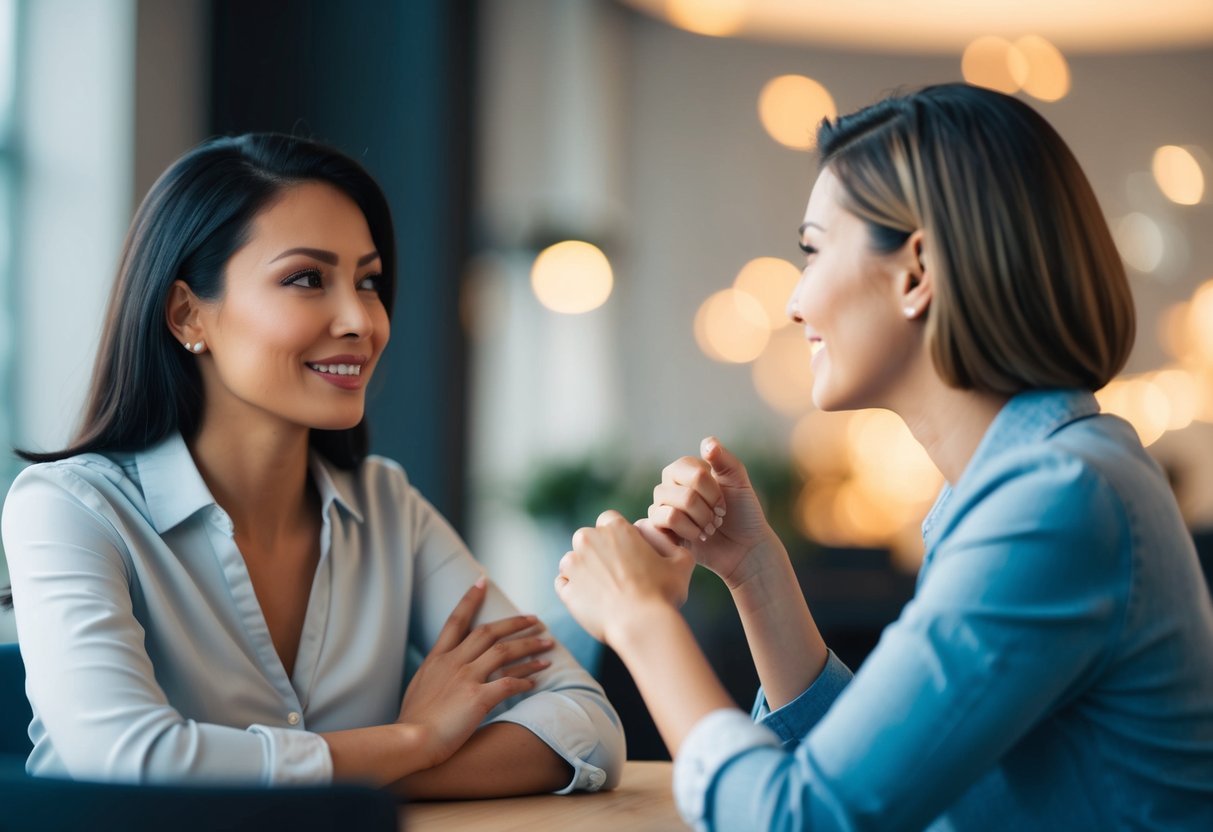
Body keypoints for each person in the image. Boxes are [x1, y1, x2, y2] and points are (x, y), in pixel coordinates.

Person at [555, 83, 1213, 830]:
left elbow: (802, 818)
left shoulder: (1057, 502)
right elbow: (885, 784)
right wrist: (753, 569)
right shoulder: (1043, 479)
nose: (793, 301)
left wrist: (639, 620)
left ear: (915, 273)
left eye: (812, 249)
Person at [1, 133, 623, 795]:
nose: (362, 319)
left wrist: (376, 780)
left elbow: (587, 726)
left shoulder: (388, 508)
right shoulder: (67, 508)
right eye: (306, 279)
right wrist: (410, 739)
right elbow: (127, 759)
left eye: (369, 281)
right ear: (188, 315)